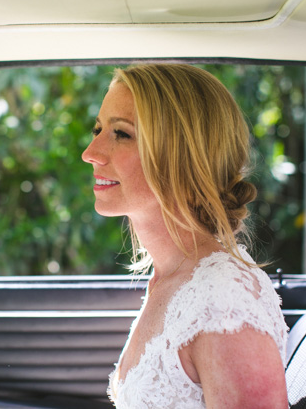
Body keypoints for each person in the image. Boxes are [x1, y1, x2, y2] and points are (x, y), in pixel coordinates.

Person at [81, 63, 289, 408]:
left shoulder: (222, 301)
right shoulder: (171, 278)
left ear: (181, 156)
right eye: (98, 129)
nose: (90, 153)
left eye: (121, 134)